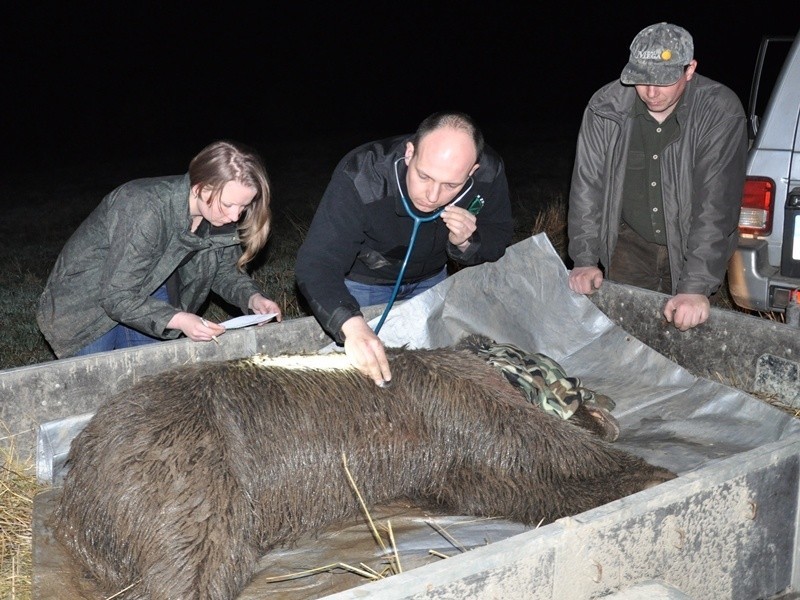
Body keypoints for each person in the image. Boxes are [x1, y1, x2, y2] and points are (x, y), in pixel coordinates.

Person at [295, 111, 514, 386]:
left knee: (429, 377)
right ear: (409, 153)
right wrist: (350, 324)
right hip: (367, 283)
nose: (432, 196)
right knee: (365, 378)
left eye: (451, 185)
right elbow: (316, 261)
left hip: (432, 282)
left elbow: (500, 235)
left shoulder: (490, 173)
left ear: (472, 171)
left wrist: (468, 243)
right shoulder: (363, 173)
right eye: (424, 176)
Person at [567, 22, 747, 331]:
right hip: (629, 243)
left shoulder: (719, 110)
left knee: (688, 340)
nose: (651, 92)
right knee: (625, 337)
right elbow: (588, 185)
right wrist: (584, 258)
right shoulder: (604, 106)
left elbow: (716, 204)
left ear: (689, 69)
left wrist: (696, 286)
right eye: (641, 79)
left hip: (695, 246)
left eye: (663, 81)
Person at [36, 140, 282, 358]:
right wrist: (180, 319)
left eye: (243, 206)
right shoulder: (146, 208)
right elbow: (116, 296)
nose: (234, 216)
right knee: (95, 387)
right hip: (86, 305)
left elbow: (224, 271)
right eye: (228, 204)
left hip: (150, 289)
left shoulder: (218, 215)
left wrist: (252, 297)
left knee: (148, 383)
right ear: (199, 188)